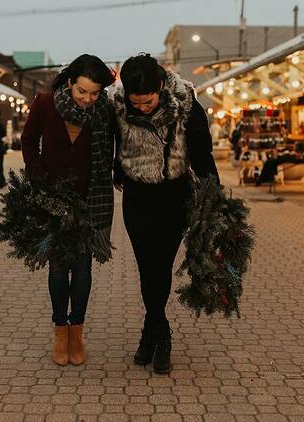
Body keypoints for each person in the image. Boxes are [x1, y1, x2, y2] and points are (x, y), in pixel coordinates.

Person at [113, 53, 219, 374]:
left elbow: (202, 153)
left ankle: (155, 335)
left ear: (161, 86)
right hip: (137, 196)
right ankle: (158, 332)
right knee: (147, 267)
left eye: (149, 102)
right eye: (137, 103)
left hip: (175, 196)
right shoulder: (116, 106)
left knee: (161, 264)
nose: (142, 108)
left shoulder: (186, 104)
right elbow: (104, 141)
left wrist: (214, 198)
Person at [22, 54, 117, 367]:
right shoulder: (45, 103)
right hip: (54, 199)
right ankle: (60, 330)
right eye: (82, 92)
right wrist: (37, 173)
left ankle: (78, 331)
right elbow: (28, 140)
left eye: (94, 93)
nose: (88, 99)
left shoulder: (105, 110)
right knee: (59, 268)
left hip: (90, 200)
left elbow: (116, 146)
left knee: (84, 269)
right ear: (70, 82)